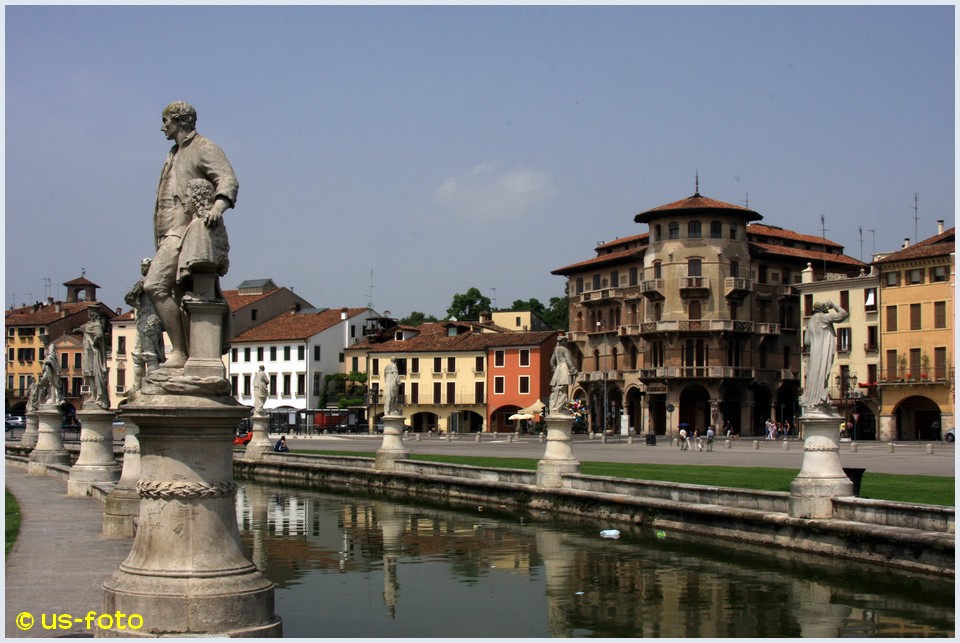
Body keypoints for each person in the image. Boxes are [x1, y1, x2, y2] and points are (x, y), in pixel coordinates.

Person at [145, 100, 238, 369]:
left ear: (181, 120)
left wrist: (218, 207)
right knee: (175, 295)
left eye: (166, 121)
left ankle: (180, 352)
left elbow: (228, 179)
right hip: (167, 234)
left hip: (185, 232)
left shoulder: (203, 147)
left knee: (154, 286)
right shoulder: (173, 154)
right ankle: (185, 354)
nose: (162, 127)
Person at [125, 258, 166, 392]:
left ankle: (149, 385)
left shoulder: (145, 282)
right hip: (148, 321)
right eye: (141, 265)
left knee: (149, 355)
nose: (142, 268)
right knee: (139, 355)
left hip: (148, 321)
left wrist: (139, 307)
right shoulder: (160, 283)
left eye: (145, 266)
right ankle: (139, 386)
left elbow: (129, 297)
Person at [800, 300, 849, 408]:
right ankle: (819, 399)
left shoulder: (810, 321)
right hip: (823, 350)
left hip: (814, 353)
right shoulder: (823, 317)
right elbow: (844, 314)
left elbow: (807, 341)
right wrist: (833, 305)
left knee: (816, 373)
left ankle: (815, 397)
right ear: (823, 309)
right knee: (822, 371)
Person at [78, 308, 110, 408]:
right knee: (90, 374)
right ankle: (93, 395)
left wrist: (94, 344)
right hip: (88, 352)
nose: (88, 315)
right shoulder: (88, 325)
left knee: (96, 373)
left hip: (93, 353)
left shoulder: (96, 325)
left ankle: (98, 396)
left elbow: (99, 335)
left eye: (89, 313)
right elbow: (82, 328)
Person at [548, 336, 577, 414]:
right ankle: (560, 407)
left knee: (557, 387)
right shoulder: (565, 349)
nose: (567, 343)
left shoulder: (556, 349)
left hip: (558, 369)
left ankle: (555, 406)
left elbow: (551, 362)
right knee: (563, 389)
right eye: (565, 341)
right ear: (563, 342)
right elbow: (568, 361)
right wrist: (574, 370)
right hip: (564, 368)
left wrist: (554, 369)